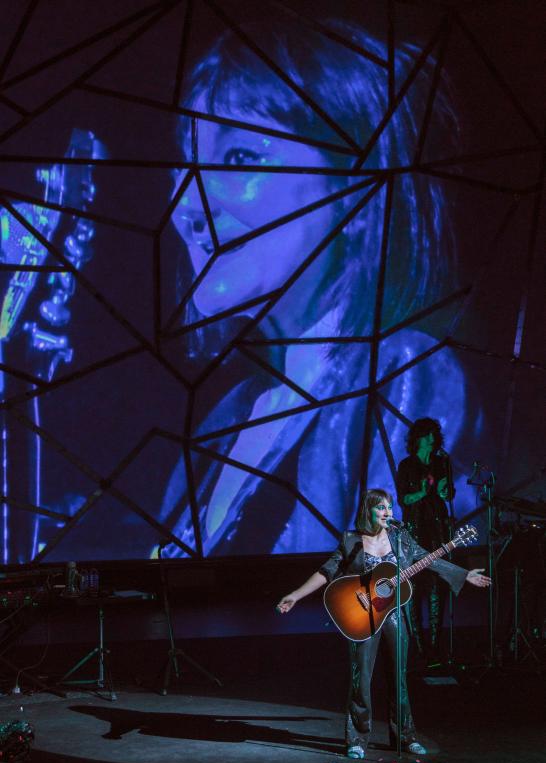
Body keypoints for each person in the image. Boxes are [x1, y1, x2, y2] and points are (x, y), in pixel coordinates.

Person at [160, 15, 469, 559]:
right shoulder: (223, 423)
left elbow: (390, 605)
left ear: (354, 192)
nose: (187, 204)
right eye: (183, 164)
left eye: (238, 158)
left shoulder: (404, 381)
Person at [276, 488, 491, 759]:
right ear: (369, 511)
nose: (387, 512)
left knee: (399, 679)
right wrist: (295, 595)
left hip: (393, 616)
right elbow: (326, 571)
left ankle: (405, 736)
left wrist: (464, 574)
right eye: (380, 507)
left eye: (389, 507)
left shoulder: (400, 538)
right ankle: (357, 738)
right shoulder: (351, 540)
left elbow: (428, 560)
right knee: (361, 679)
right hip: (360, 616)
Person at [396, 417, 454, 663]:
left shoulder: (442, 462)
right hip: (415, 530)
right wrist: (422, 491)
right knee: (413, 586)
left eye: (435, 434)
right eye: (428, 434)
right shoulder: (407, 465)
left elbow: (448, 494)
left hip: (437, 529)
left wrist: (444, 490)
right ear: (418, 437)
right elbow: (403, 500)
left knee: (437, 585)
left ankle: (434, 645)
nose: (433, 438)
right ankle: (418, 646)